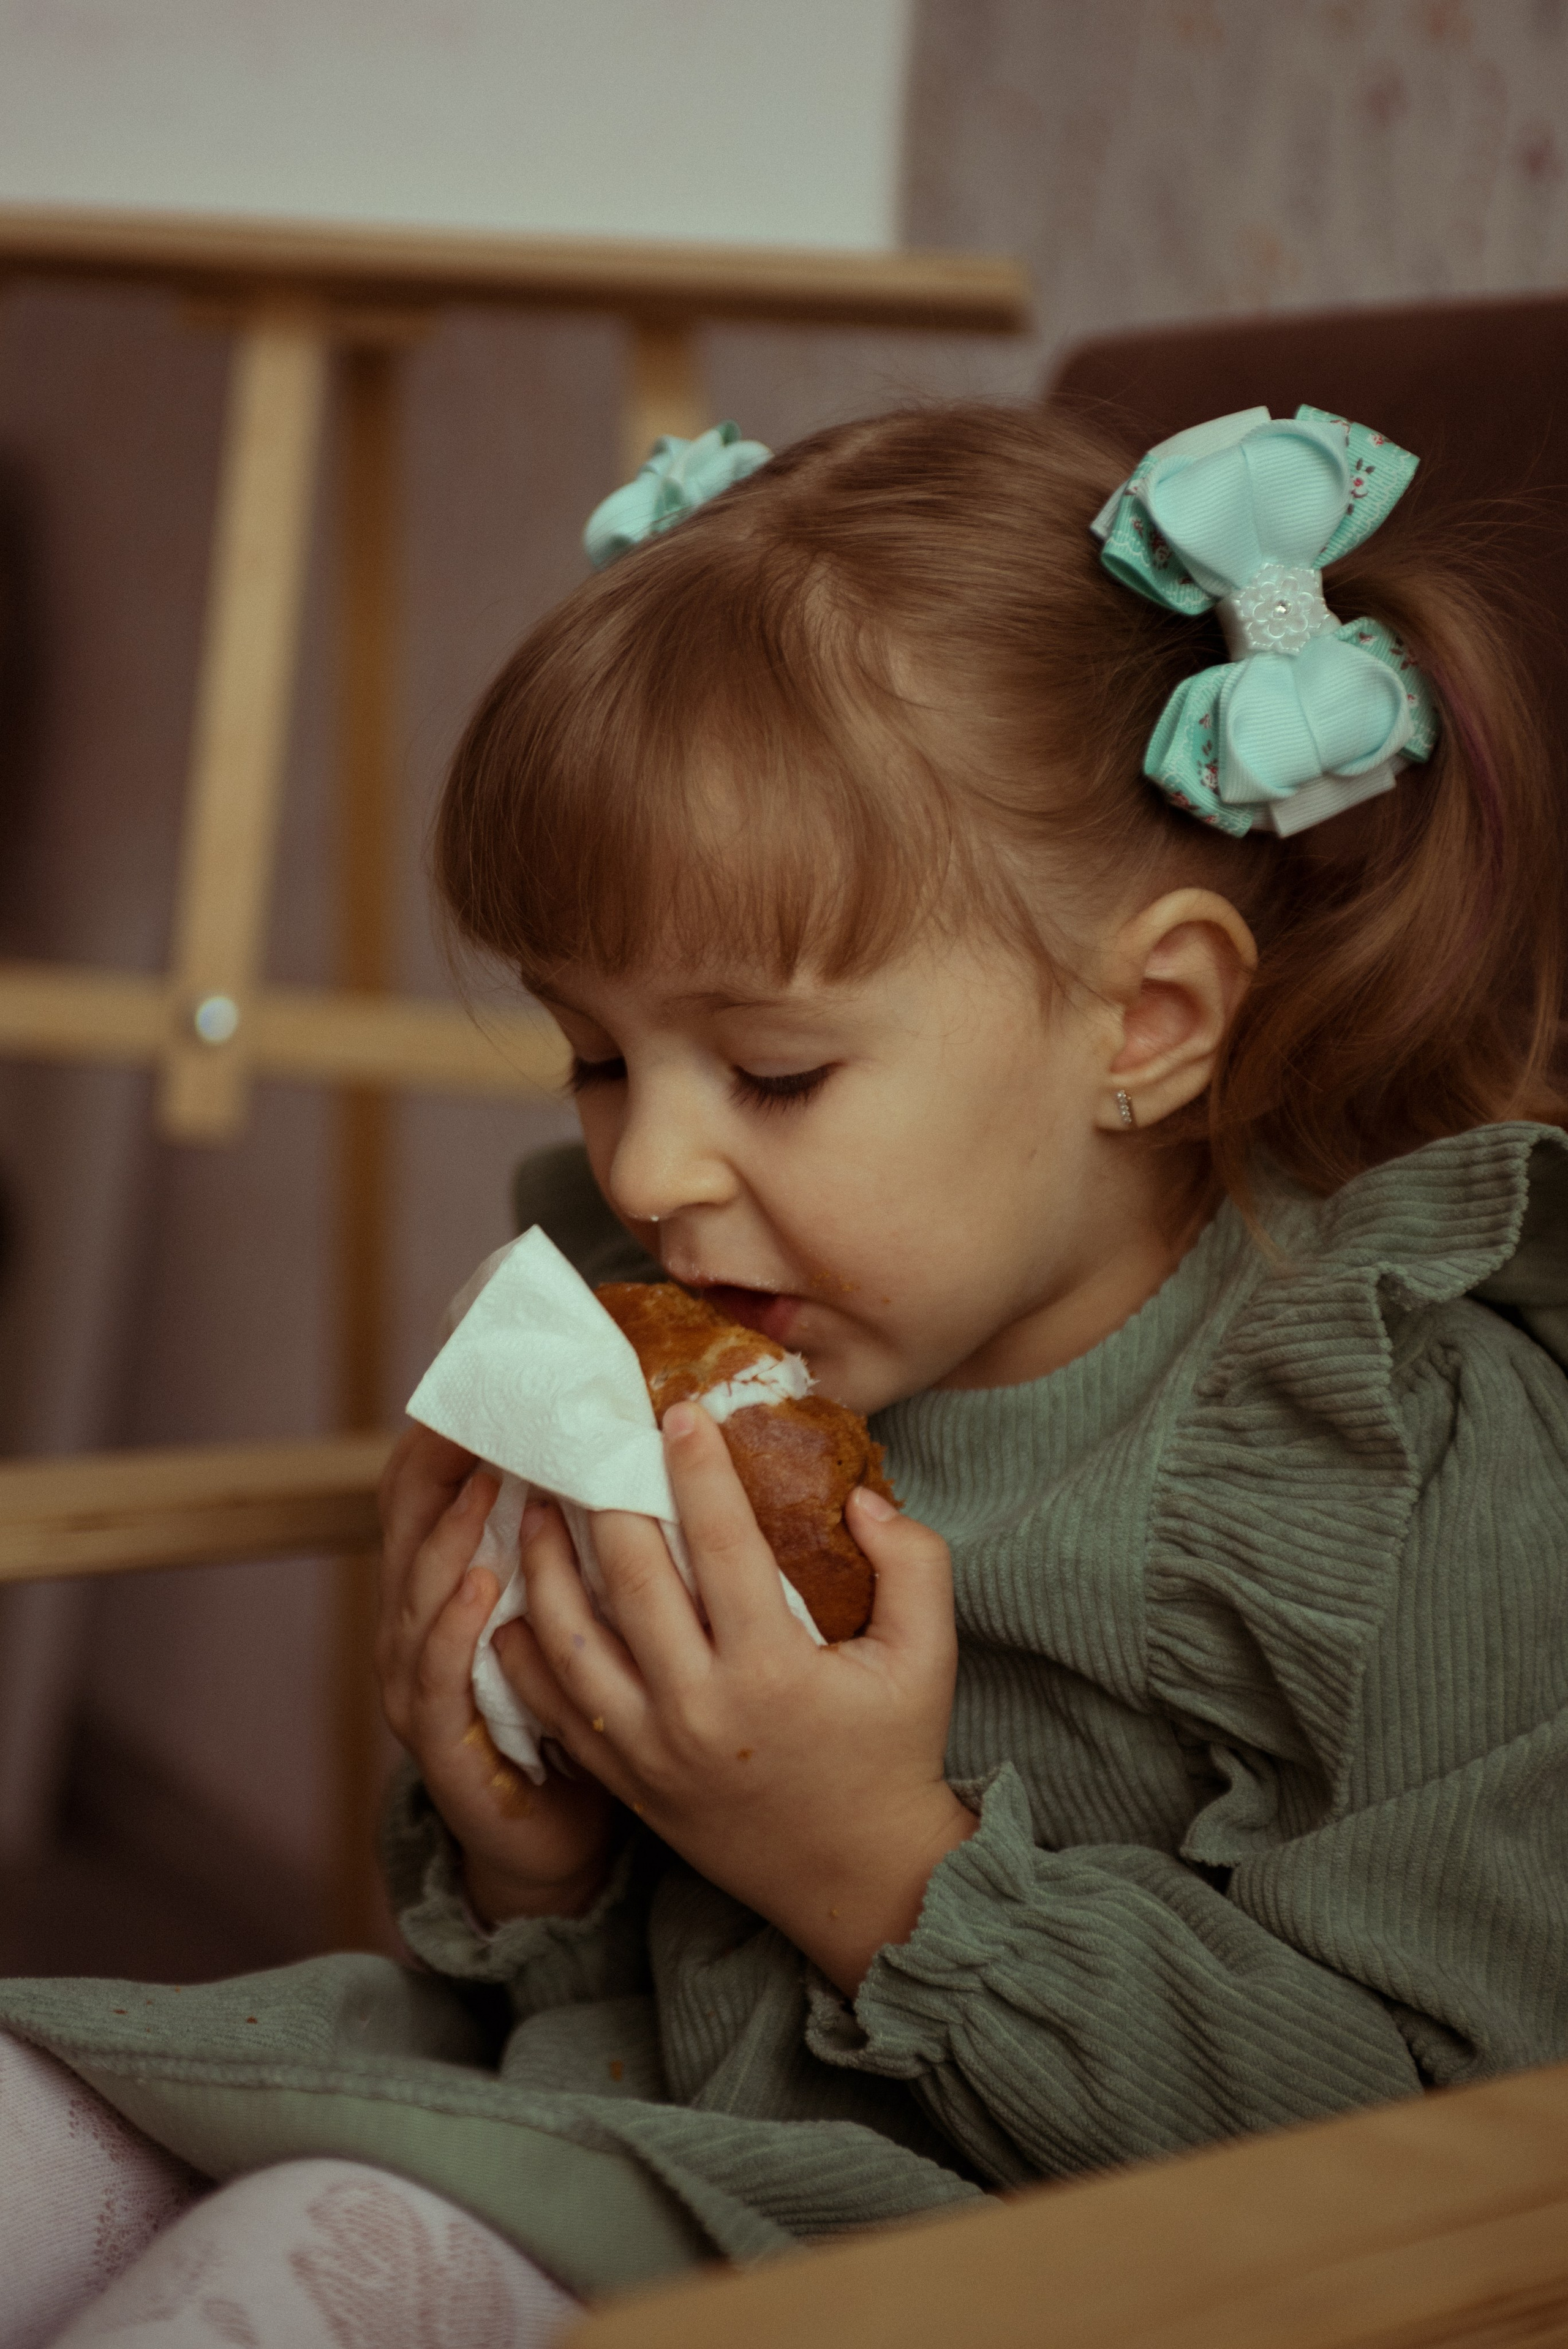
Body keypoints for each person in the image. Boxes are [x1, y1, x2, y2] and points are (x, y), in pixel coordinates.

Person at [5, 400, 1567, 2347]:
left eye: (773, 1071)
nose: (649, 1172)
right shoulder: (682, 1317)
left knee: (294, 2256)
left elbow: (1457, 2158)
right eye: (597, 1051)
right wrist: (529, 1840)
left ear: (1150, 1020)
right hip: (597, 2120)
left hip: (941, 2265)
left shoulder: (1405, 1461)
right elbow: (568, 1979)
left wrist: (877, 1870)